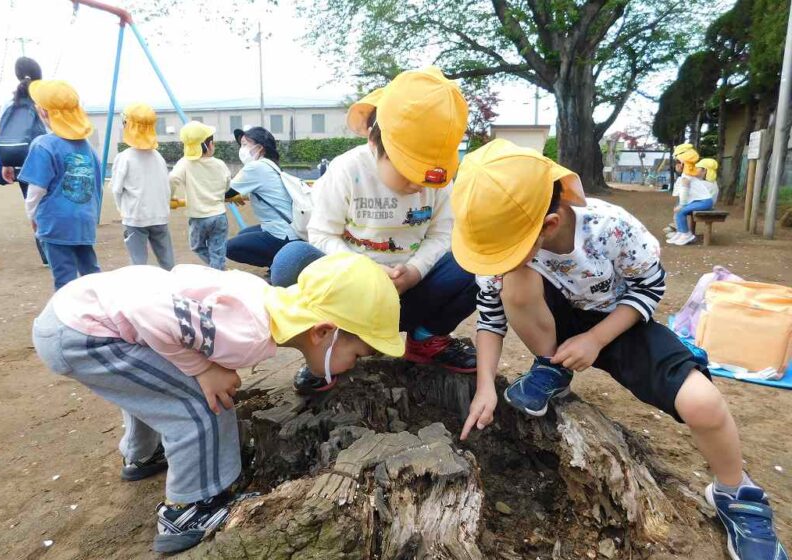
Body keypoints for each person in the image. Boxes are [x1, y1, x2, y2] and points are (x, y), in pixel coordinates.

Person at [452, 139, 788, 560]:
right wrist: (485, 385)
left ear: (551, 224)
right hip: (553, 323)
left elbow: (649, 288)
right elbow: (490, 315)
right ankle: (551, 367)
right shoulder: (504, 258)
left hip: (620, 319)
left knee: (703, 403)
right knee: (514, 281)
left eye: (507, 250)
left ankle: (737, 493)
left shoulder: (610, 227)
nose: (498, 259)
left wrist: (596, 339)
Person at [31, 252, 404, 553]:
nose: (355, 364)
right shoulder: (247, 333)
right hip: (83, 333)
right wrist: (202, 368)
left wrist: (200, 363)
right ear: (324, 332)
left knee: (161, 386)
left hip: (80, 315)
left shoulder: (262, 301)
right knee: (199, 403)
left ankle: (142, 454)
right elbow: (149, 311)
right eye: (357, 354)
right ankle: (188, 509)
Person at [271, 67, 478, 393]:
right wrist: (362, 272)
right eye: (407, 171)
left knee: (477, 263)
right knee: (291, 260)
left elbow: (442, 236)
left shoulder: (441, 183)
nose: (416, 185)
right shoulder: (347, 170)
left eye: (426, 177)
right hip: (347, 301)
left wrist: (413, 271)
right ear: (374, 141)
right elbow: (322, 233)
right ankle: (327, 347)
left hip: (407, 295)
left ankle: (425, 338)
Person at [18, 80, 102, 291]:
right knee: (91, 275)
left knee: (65, 279)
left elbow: (36, 189)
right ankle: (101, 313)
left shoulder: (43, 145)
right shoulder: (87, 147)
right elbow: (97, 185)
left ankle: (69, 320)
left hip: (56, 222)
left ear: (44, 112)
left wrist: (32, 216)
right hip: (84, 220)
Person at [110, 103, 175, 270]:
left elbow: (116, 189)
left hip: (135, 216)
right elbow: (165, 186)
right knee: (167, 261)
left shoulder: (124, 157)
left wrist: (122, 211)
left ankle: (140, 292)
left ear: (127, 126)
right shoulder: (158, 156)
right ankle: (173, 288)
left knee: (138, 263)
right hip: (160, 215)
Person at [0, 57, 48, 265]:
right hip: (46, 159)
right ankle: (59, 247)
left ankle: (46, 254)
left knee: (34, 207)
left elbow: (7, 133)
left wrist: (6, 163)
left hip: (22, 163)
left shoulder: (11, 103)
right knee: (51, 203)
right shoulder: (44, 100)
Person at [225, 127, 297, 270]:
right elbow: (233, 193)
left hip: (281, 234)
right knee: (243, 234)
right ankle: (280, 261)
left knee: (229, 247)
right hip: (290, 229)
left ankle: (279, 264)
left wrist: (231, 195)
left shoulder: (256, 167)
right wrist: (234, 195)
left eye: (245, 144)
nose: (242, 149)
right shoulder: (271, 165)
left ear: (260, 148)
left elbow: (226, 193)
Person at [169, 121, 236, 270]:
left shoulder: (185, 163)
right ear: (209, 145)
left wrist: (169, 197)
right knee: (218, 250)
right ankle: (218, 269)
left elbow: (172, 179)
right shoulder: (219, 164)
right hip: (219, 216)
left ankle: (218, 270)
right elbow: (227, 185)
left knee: (197, 247)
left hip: (198, 217)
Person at [669, 156, 720, 246]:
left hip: (704, 204)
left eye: (697, 168)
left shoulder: (706, 184)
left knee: (680, 210)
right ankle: (681, 232)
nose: (694, 170)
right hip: (699, 203)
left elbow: (683, 188)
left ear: (704, 171)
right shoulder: (702, 181)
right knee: (679, 209)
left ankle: (684, 233)